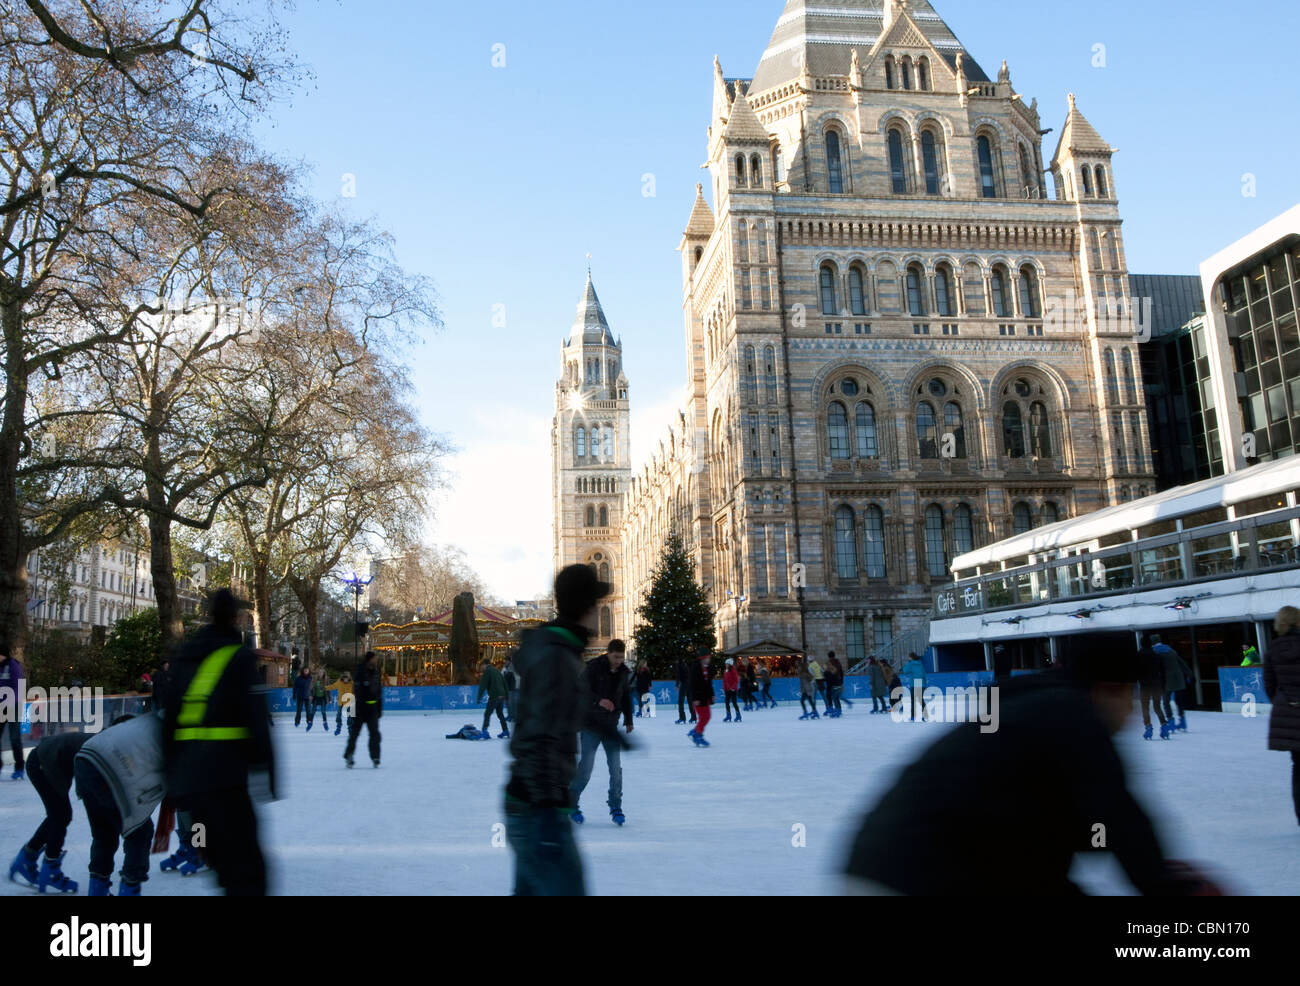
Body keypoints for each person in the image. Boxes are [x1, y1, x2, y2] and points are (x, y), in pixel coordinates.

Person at [843, 650, 1226, 895]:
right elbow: (1117, 816)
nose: (1130, 714)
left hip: (879, 863)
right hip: (922, 875)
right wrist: (1167, 884)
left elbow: (1072, 827)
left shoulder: (1030, 708)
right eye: (1130, 698)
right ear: (1110, 689)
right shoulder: (1074, 715)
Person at [162, 588, 276, 896]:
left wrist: (170, 776)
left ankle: (200, 851)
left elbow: (169, 715)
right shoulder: (238, 656)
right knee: (249, 872)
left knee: (206, 838)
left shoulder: (184, 655)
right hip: (225, 778)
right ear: (235, 617)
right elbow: (256, 717)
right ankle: (205, 855)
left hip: (188, 775)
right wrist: (268, 770)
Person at [505, 564, 608, 895]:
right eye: (596, 603)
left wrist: (604, 726)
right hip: (539, 808)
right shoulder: (557, 656)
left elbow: (560, 708)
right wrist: (549, 806)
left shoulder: (558, 650)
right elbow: (539, 733)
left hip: (530, 803)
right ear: (588, 607)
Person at [75, 713, 166, 896]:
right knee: (140, 831)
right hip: (112, 765)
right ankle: (130, 889)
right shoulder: (183, 732)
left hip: (85, 757)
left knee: (105, 833)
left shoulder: (158, 716)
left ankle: (97, 890)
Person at [8, 730, 92, 892]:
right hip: (41, 764)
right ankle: (50, 869)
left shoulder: (105, 742)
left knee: (59, 815)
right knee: (61, 815)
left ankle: (26, 858)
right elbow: (87, 786)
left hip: (46, 762)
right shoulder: (102, 748)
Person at [571, 638, 634, 825]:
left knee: (616, 770)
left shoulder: (623, 672)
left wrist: (629, 720)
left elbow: (626, 697)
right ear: (608, 653)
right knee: (586, 769)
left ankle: (616, 805)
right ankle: (572, 802)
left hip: (611, 727)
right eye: (615, 657)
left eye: (621, 658)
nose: (618, 661)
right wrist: (599, 700)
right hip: (590, 725)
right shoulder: (593, 667)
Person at [1264, 605, 1300, 826]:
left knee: (1299, 768)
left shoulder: (1273, 649)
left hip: (1288, 714)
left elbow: (1270, 685)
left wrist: (1284, 704)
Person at [345, 651, 384, 767]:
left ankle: (375, 757)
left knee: (375, 733)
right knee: (355, 733)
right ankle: (349, 755)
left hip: (373, 708)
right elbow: (356, 691)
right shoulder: (360, 672)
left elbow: (379, 691)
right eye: (375, 659)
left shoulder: (377, 673)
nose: (376, 661)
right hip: (360, 708)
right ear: (369, 659)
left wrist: (379, 708)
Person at [1152, 634, 1190, 732]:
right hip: (1179, 678)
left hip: (1166, 680)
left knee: (1165, 701)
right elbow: (1182, 662)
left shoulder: (1156, 651)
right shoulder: (1171, 650)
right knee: (1179, 700)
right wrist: (1189, 674)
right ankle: (1182, 722)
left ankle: (1171, 722)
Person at [1137, 635, 1170, 740]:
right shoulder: (1157, 656)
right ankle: (1164, 725)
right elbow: (1163, 672)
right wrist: (1163, 685)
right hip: (1156, 685)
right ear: (1151, 644)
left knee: (1145, 707)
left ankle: (1148, 727)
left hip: (1145, 686)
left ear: (1141, 644)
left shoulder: (1138, 656)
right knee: (1157, 706)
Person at [0, 647, 25, 779]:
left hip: (13, 706)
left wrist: (10, 701)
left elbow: (18, 686)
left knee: (14, 738)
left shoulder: (13, 666)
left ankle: (19, 767)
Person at [687, 649, 714, 746]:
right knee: (703, 717)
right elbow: (692, 684)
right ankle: (698, 734)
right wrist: (695, 698)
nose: (709, 659)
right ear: (704, 658)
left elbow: (709, 683)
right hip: (698, 697)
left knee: (707, 716)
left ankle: (695, 732)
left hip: (705, 697)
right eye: (708, 657)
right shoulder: (695, 668)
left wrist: (712, 695)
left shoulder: (707, 668)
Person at [477, 657, 509, 738]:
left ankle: (485, 731)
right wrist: (507, 696)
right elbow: (504, 682)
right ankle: (505, 731)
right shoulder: (497, 670)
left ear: (484, 664)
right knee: (500, 714)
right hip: (501, 696)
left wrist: (479, 697)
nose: (481, 668)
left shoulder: (487, 671)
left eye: (481, 666)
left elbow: (482, 685)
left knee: (487, 713)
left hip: (494, 696)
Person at [901, 652, 928, 722]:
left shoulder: (910, 664)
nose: (908, 658)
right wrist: (925, 685)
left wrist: (908, 663)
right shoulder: (920, 664)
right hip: (921, 683)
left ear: (911, 657)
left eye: (909, 657)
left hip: (914, 683)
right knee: (921, 700)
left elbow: (905, 671)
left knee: (913, 701)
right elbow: (924, 675)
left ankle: (913, 717)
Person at [327, 671, 353, 736]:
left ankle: (350, 729)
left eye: (347, 678)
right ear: (343, 678)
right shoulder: (339, 682)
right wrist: (325, 688)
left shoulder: (352, 684)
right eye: (344, 678)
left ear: (349, 678)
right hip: (341, 703)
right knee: (338, 716)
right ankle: (338, 727)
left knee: (350, 717)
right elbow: (333, 686)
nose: (345, 679)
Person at [307, 668, 330, 733]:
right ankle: (310, 723)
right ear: (318, 673)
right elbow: (311, 688)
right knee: (313, 711)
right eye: (319, 672)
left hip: (323, 698)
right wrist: (311, 695)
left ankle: (325, 723)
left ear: (324, 673)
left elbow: (328, 690)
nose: (320, 674)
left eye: (322, 672)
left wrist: (330, 699)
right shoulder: (314, 679)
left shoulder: (326, 680)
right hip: (316, 698)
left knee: (323, 711)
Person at [675, 657, 695, 724]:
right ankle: (694, 717)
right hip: (689, 684)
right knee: (690, 701)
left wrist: (677, 685)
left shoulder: (679, 666)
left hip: (684, 684)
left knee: (680, 702)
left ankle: (682, 718)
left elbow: (678, 676)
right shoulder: (686, 665)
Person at [722, 658, 742, 722]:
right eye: (725, 664)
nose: (726, 665)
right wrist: (724, 688)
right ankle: (728, 715)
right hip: (727, 690)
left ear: (730, 664)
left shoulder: (733, 671)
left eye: (727, 664)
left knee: (734, 703)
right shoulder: (725, 671)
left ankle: (738, 715)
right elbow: (724, 680)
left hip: (733, 690)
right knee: (727, 703)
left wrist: (732, 688)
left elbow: (736, 680)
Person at [503, 657, 519, 723]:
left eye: (506, 661)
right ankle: (510, 715)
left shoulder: (512, 667)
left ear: (509, 661)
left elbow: (514, 677)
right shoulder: (505, 667)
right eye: (505, 661)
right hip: (507, 688)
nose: (505, 662)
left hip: (513, 688)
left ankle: (513, 716)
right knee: (507, 703)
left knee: (512, 703)